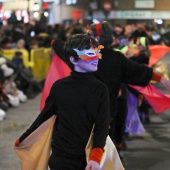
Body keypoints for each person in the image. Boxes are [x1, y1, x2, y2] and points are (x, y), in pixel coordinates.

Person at [14, 34, 110, 170]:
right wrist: (24, 138)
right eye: (89, 54)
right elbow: (45, 116)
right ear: (73, 59)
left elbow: (102, 125)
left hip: (86, 159)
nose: (95, 58)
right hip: (61, 157)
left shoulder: (100, 89)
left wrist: (95, 157)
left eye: (96, 53)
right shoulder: (59, 87)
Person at [87, 21, 170, 157]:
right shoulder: (109, 56)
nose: (85, 37)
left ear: (97, 38)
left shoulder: (88, 57)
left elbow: (138, 70)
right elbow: (138, 71)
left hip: (96, 111)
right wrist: (160, 78)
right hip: (104, 110)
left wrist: (160, 78)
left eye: (88, 34)